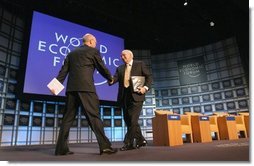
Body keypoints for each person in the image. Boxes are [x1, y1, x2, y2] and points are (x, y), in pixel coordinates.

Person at [51, 33, 117, 155]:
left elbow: (63, 71)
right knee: (94, 117)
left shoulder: (71, 53)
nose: (96, 44)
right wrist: (110, 78)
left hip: (71, 89)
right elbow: (101, 67)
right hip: (86, 88)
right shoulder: (93, 51)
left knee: (67, 119)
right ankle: (105, 146)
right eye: (95, 42)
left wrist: (55, 85)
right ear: (91, 41)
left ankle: (60, 149)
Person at [109, 49, 152, 151]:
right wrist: (110, 80)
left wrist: (145, 88)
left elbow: (149, 77)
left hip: (137, 96)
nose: (122, 57)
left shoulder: (140, 64)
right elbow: (114, 79)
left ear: (131, 56)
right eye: (121, 56)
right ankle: (141, 140)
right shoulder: (119, 68)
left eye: (124, 55)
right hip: (124, 97)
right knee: (129, 120)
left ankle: (128, 143)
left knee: (133, 119)